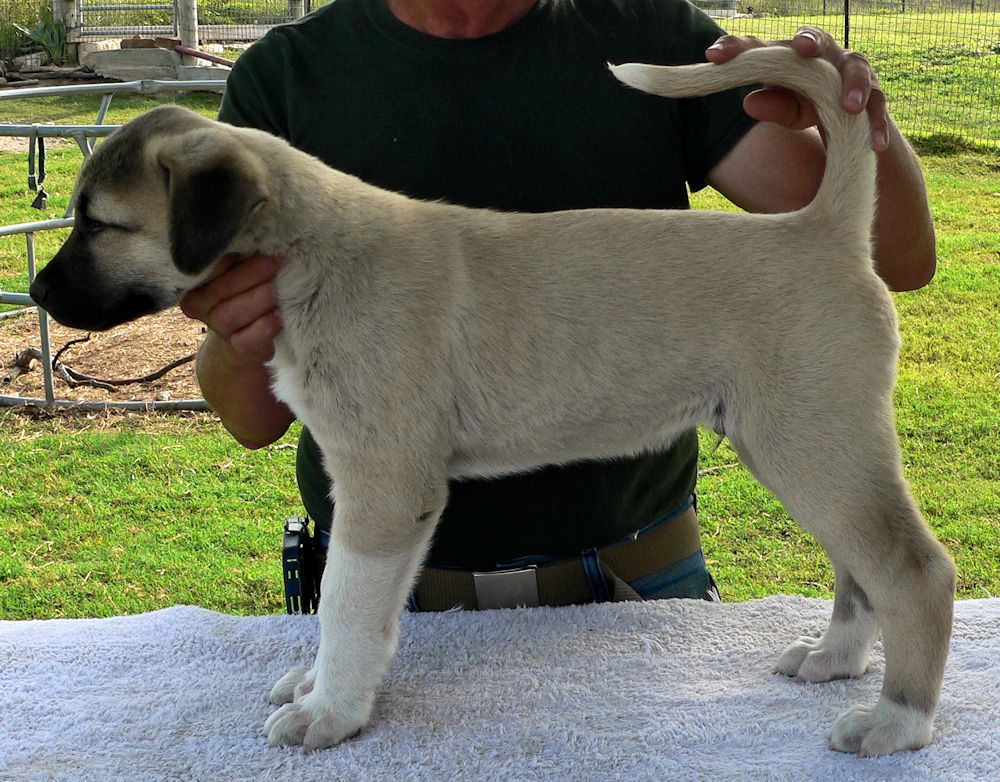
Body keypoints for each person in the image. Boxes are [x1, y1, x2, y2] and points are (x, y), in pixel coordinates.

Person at [180, 0, 935, 610]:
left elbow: (894, 257)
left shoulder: (653, 34)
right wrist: (239, 328)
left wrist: (859, 111)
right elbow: (251, 420)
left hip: (634, 585)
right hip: (387, 600)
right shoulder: (287, 78)